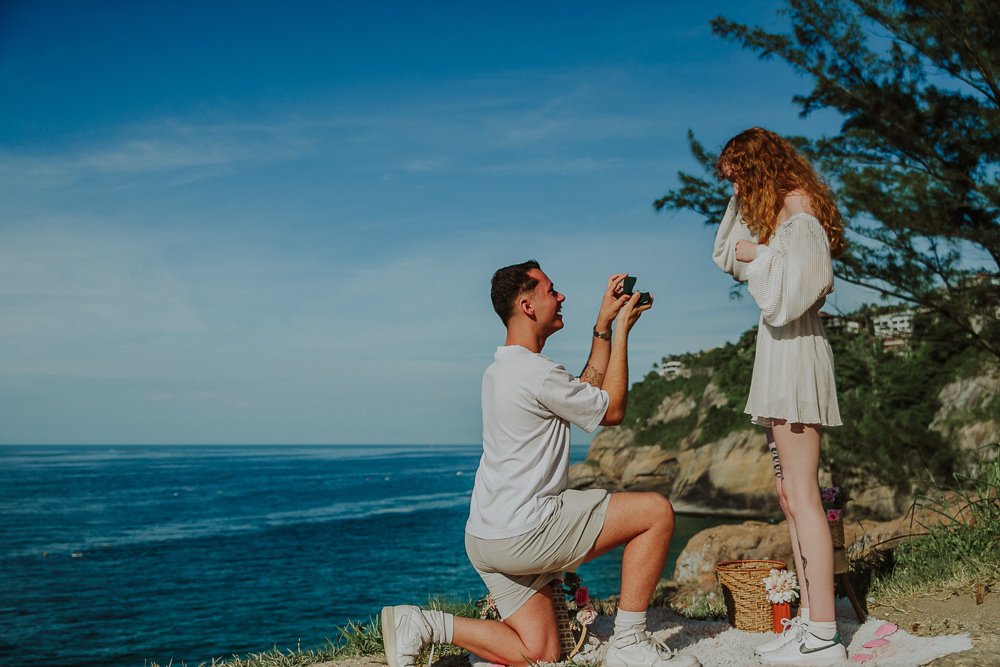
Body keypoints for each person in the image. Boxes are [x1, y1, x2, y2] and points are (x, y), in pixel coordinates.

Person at [381, 261, 700, 667]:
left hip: (486, 537)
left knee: (540, 652)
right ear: (528, 304)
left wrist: (601, 327)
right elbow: (612, 409)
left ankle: (424, 625)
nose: (561, 296)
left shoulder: (500, 370)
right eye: (552, 290)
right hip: (526, 534)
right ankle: (630, 644)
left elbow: (582, 393)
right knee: (655, 511)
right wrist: (622, 334)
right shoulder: (538, 372)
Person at [712, 127, 846, 665]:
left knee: (805, 497)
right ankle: (810, 621)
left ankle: (823, 635)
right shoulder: (778, 213)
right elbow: (726, 252)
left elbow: (794, 295)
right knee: (790, 497)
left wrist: (760, 254)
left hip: (795, 356)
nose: (736, 189)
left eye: (739, 176)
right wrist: (751, 233)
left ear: (758, 166)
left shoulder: (801, 213)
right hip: (778, 356)